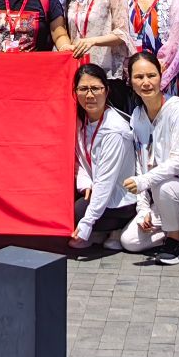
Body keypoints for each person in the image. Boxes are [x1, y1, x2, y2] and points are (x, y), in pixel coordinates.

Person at [118, 50, 179, 258]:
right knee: (130, 241)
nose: (146, 82)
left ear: (161, 76)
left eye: (151, 75)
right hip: (164, 199)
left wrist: (144, 181)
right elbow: (141, 165)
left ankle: (177, 243)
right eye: (139, 77)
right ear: (130, 80)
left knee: (164, 185)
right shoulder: (137, 116)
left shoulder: (178, 109)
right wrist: (143, 209)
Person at [71, 64, 137, 253]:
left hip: (120, 198)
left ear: (106, 91)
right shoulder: (80, 120)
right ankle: (102, 231)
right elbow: (79, 160)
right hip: (96, 189)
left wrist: (86, 224)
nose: (89, 95)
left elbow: (106, 181)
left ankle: (117, 227)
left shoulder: (114, 129)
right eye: (83, 89)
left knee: (77, 212)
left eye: (95, 88)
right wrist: (85, 183)